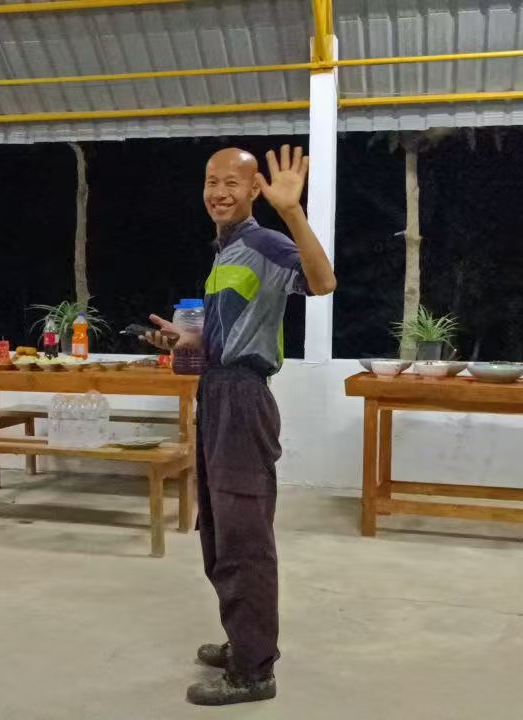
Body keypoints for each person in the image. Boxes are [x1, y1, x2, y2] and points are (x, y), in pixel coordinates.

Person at [144, 145, 336, 706]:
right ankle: (244, 639)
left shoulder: (265, 242)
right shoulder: (226, 252)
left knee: (244, 537)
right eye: (212, 181)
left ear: (255, 190)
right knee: (218, 530)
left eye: (232, 182)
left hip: (243, 399)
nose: (219, 192)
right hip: (217, 389)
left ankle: (254, 671)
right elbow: (229, 333)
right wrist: (189, 340)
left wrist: (292, 212)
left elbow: (323, 282)